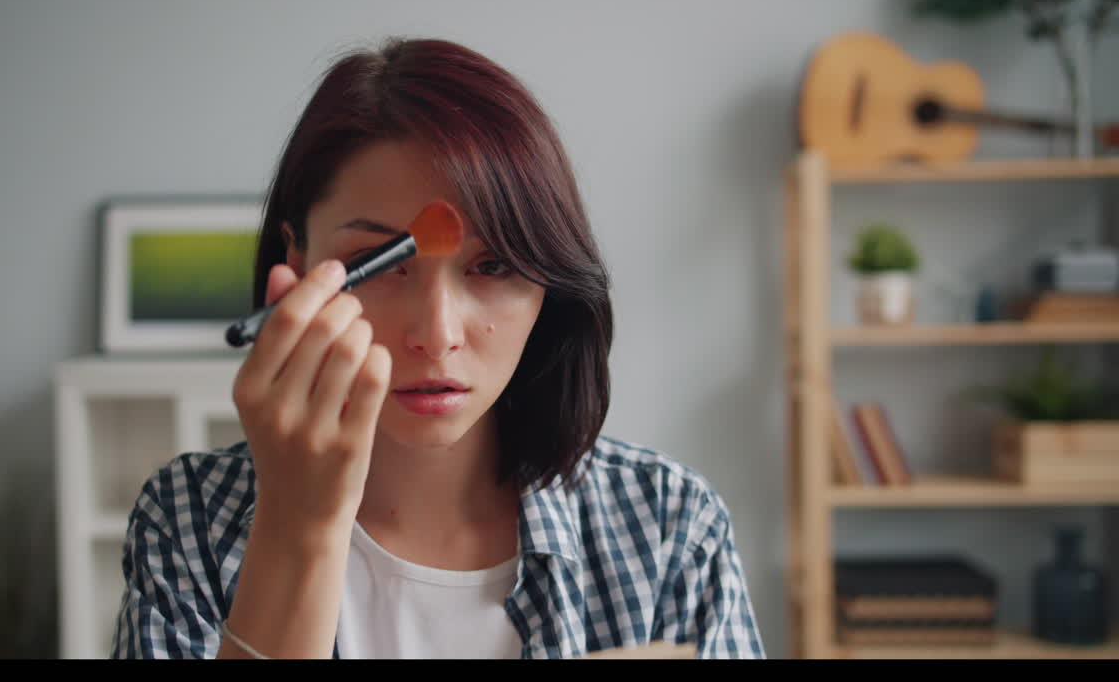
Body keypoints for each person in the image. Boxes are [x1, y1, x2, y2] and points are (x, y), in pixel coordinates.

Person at [111, 36, 765, 660]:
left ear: (549, 285)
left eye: (493, 267)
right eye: (377, 262)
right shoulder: (187, 520)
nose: (437, 333)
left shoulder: (667, 526)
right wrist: (297, 525)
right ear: (298, 264)